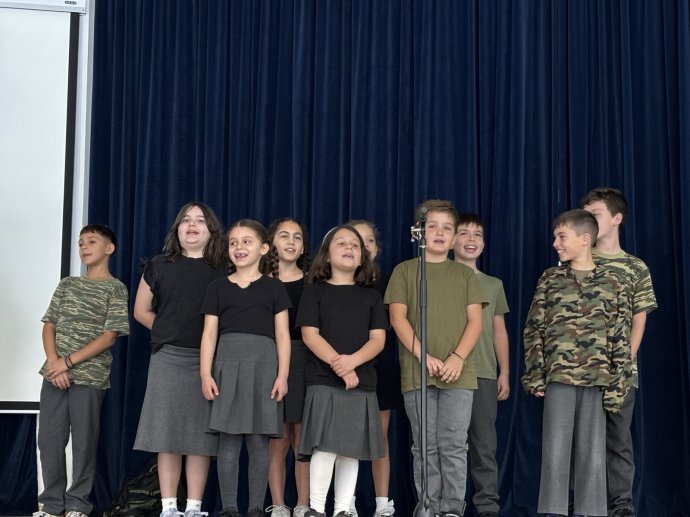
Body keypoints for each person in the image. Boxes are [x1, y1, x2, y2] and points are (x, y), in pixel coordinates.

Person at [522, 209, 631, 517]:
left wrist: (617, 387)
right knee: (555, 449)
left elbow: (620, 338)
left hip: (597, 379)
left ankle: (591, 511)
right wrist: (534, 375)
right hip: (559, 377)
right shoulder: (551, 278)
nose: (555, 243)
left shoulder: (613, 282)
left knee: (593, 452)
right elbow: (534, 328)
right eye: (555, 237)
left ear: (585, 239)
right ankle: (553, 510)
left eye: (562, 236)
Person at [385, 199, 486, 517]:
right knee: (424, 444)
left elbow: (475, 322)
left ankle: (453, 506)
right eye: (432, 227)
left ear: (455, 236)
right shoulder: (405, 271)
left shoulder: (466, 275)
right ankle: (428, 503)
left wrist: (457, 358)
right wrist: (424, 356)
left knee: (454, 442)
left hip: (459, 373)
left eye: (447, 228)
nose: (440, 233)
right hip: (417, 371)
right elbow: (398, 319)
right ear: (420, 232)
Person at [133, 202, 226, 517]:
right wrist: (168, 330)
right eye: (186, 220)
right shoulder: (159, 265)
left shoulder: (224, 269)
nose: (192, 225)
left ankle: (195, 507)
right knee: (167, 434)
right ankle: (169, 506)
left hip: (208, 362)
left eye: (200, 220)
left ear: (211, 230)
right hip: (169, 358)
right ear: (177, 228)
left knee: (200, 436)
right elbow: (141, 310)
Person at [36, 224, 129, 517]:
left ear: (109, 248)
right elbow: (49, 325)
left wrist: (68, 362)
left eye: (91, 242)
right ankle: (52, 505)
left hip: (90, 377)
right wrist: (55, 363)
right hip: (55, 374)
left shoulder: (115, 288)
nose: (84, 247)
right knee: (49, 440)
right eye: (80, 243)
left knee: (84, 442)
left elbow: (109, 336)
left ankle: (77, 504)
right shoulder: (67, 285)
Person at [200, 219, 291, 517]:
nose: (239, 247)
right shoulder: (217, 287)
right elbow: (209, 334)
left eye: (247, 241)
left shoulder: (274, 288)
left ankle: (255, 507)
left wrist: (282, 375)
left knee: (258, 440)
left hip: (263, 368)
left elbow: (282, 335)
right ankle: (229, 507)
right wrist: (205, 373)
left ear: (264, 248)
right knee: (227, 439)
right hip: (227, 366)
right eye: (233, 242)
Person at [296, 225, 387, 517]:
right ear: (326, 255)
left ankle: (342, 509)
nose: (349, 248)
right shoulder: (314, 291)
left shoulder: (371, 297)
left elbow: (378, 340)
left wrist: (352, 363)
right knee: (324, 447)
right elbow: (310, 335)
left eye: (355, 245)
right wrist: (341, 365)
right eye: (341, 243)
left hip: (361, 382)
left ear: (362, 258)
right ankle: (316, 508)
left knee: (350, 449)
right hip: (324, 380)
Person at [581, 188, 657, 517]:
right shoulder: (579, 259)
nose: (589, 221)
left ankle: (621, 504)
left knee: (619, 440)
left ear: (616, 218)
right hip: (581, 368)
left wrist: (626, 358)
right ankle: (583, 503)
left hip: (621, 371)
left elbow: (640, 318)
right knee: (583, 439)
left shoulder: (635, 267)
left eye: (595, 214)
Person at [453, 213, 509, 517]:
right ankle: (449, 504)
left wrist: (505, 372)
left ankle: (487, 505)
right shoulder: (441, 278)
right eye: (463, 233)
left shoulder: (493, 284)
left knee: (484, 444)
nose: (471, 239)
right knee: (449, 444)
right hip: (447, 374)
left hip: (484, 373)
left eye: (477, 234)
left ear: (484, 243)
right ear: (451, 240)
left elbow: (499, 330)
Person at [348, 220, 402, 517]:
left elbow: (396, 322)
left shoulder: (389, 282)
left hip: (381, 364)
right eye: (356, 239)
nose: (363, 245)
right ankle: (346, 502)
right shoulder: (334, 281)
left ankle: (382, 503)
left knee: (379, 437)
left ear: (376, 248)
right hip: (344, 366)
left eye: (368, 240)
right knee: (346, 437)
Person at [266, 218, 312, 517]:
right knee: (277, 440)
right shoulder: (261, 281)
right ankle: (279, 505)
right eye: (284, 236)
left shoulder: (313, 282)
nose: (291, 242)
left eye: (297, 237)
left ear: (303, 247)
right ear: (271, 243)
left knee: (303, 440)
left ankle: (303, 505)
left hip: (306, 360)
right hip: (270, 361)